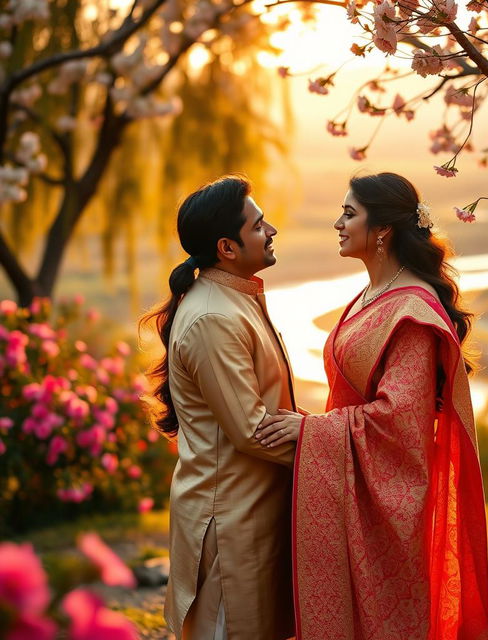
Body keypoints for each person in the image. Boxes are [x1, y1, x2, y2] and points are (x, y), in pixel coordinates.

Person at [257, 172, 488, 640]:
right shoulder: (369, 296)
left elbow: (397, 420)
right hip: (351, 480)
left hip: (387, 496)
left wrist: (311, 432)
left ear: (382, 229)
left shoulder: (412, 312)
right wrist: (315, 428)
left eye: (349, 213)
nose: (337, 223)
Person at [140, 176, 296, 640]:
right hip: (230, 519)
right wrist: (344, 448)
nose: (271, 232)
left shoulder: (233, 299)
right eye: (259, 225)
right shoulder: (214, 316)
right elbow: (252, 430)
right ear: (227, 247)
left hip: (252, 508)